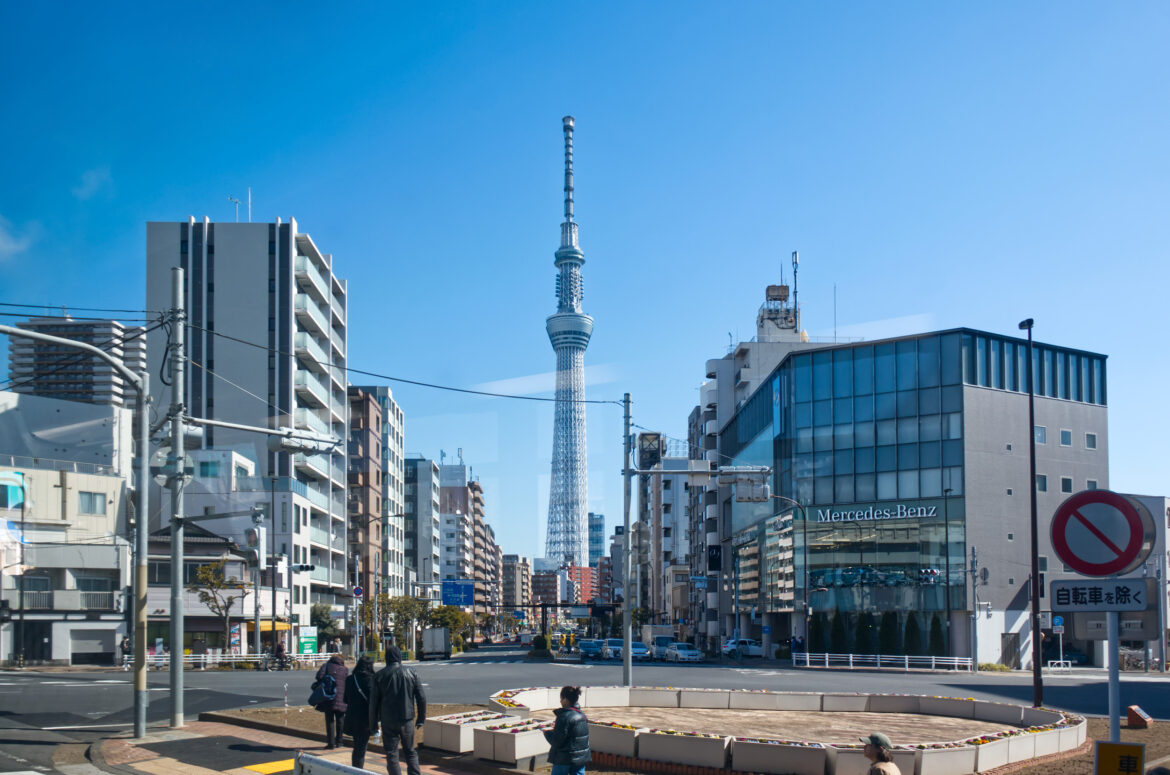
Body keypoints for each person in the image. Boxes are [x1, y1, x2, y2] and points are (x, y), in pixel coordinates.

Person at [369, 645, 426, 775]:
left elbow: (373, 704)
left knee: (391, 753)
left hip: (387, 719)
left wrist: (373, 725)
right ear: (399, 657)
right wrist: (421, 718)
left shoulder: (379, 676)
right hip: (406, 718)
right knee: (410, 751)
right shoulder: (412, 672)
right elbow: (421, 697)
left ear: (387, 658)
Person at [543, 686, 590, 775]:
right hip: (581, 757)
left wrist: (547, 733)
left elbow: (557, 741)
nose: (560, 701)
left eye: (561, 698)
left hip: (563, 758)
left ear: (565, 699)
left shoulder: (564, 717)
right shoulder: (582, 715)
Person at [344, 656, 377, 768]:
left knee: (357, 747)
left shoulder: (350, 679)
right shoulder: (372, 680)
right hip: (366, 719)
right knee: (361, 748)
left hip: (352, 717)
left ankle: (355, 768)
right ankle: (358, 770)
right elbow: (375, 701)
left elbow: (345, 699)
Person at [315, 653, 349, 749]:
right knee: (340, 720)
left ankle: (330, 743)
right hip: (341, 698)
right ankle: (340, 741)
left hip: (328, 697)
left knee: (329, 720)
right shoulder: (345, 669)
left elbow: (319, 677)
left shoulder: (326, 666)